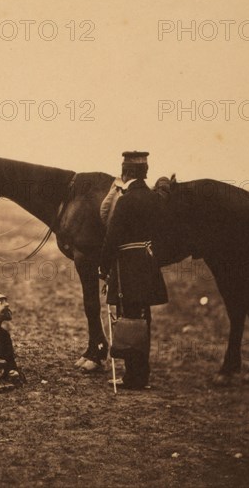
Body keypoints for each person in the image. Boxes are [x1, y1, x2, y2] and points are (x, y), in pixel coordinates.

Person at [99, 151, 168, 390]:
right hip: (147, 263)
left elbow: (111, 237)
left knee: (128, 318)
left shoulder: (126, 200)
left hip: (126, 265)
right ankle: (141, 375)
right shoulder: (154, 198)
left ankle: (133, 378)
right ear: (145, 173)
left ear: (126, 172)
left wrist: (103, 267)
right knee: (143, 318)